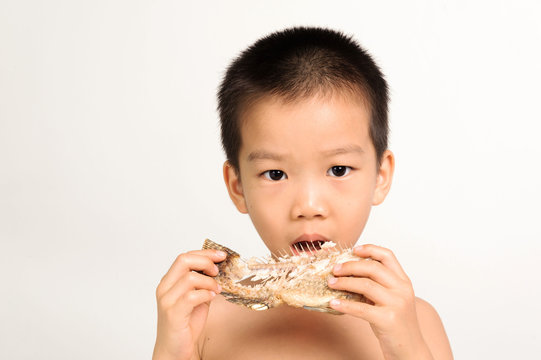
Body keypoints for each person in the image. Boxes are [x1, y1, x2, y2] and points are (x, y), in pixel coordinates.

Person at [152, 26, 453, 360]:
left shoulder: (414, 322)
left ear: (380, 176)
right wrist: (172, 348)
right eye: (275, 174)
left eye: (338, 170)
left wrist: (406, 346)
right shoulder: (204, 321)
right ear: (237, 186)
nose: (308, 206)